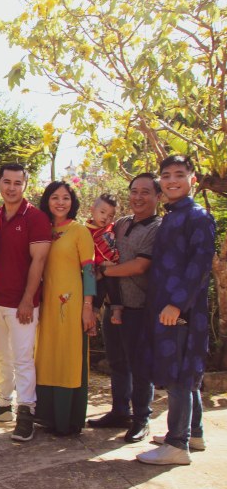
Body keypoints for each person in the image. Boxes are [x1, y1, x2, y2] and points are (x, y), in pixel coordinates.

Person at [137, 155, 215, 466]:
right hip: (167, 307)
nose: (172, 181)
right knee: (183, 371)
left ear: (192, 179)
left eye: (179, 175)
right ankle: (193, 433)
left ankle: (176, 444)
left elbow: (199, 266)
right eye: (166, 175)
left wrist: (177, 304)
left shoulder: (197, 217)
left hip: (181, 309)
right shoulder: (173, 215)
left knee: (179, 374)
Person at [86, 173, 162, 444]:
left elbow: (140, 266)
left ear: (158, 196)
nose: (138, 197)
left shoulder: (157, 228)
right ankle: (120, 411)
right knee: (117, 363)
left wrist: (106, 271)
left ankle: (141, 418)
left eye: (145, 192)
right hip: (113, 306)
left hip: (138, 308)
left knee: (139, 366)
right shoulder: (120, 223)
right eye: (134, 191)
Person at [0, 163, 52, 442]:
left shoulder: (35, 218)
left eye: (17, 183)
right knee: (1, 356)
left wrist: (27, 300)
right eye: (7, 182)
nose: (11, 188)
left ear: (25, 185)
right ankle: (2, 403)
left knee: (23, 359)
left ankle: (26, 410)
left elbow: (39, 260)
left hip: (23, 305)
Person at [34, 181, 96, 436]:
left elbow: (89, 271)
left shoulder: (79, 231)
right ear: (47, 201)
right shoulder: (42, 230)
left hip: (71, 306)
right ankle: (46, 416)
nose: (60, 202)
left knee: (69, 357)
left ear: (73, 202)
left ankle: (67, 419)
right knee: (45, 356)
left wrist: (88, 306)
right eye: (55, 197)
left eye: (66, 198)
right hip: (45, 305)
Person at [85, 194, 123, 325]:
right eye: (102, 212)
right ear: (92, 210)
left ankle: (117, 310)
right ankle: (94, 316)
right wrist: (99, 266)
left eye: (110, 215)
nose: (105, 217)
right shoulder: (86, 231)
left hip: (114, 265)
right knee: (99, 289)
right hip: (98, 268)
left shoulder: (112, 227)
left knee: (113, 284)